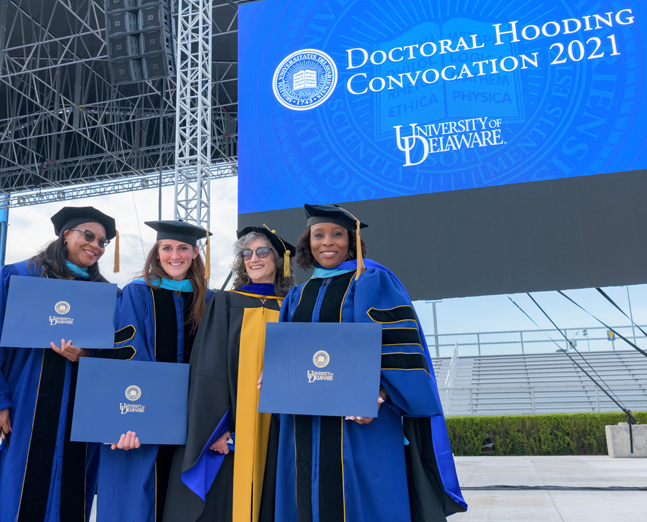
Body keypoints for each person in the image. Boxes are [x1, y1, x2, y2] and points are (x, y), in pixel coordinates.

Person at [272, 204, 467, 522]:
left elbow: (400, 346)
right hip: (306, 420)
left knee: (363, 497)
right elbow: (291, 353)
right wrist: (278, 375)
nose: (328, 242)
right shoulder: (296, 296)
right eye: (318, 235)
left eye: (338, 234)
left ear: (352, 242)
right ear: (308, 243)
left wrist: (380, 394)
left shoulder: (371, 281)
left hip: (362, 417)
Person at [0, 205, 118, 521]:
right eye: (89, 236)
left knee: (70, 495)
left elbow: (113, 356)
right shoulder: (18, 276)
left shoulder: (104, 295)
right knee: (13, 492)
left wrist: (87, 356)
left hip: (76, 415)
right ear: (66, 234)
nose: (96, 246)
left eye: (103, 242)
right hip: (21, 408)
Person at [164, 226, 295, 522]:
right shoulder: (225, 302)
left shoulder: (295, 305)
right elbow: (208, 369)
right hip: (232, 429)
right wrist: (216, 428)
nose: (254, 259)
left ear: (279, 259)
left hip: (281, 426)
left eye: (263, 252)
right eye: (247, 254)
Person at [98, 220, 213, 522]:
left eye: (183, 248)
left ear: (195, 252)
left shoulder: (209, 300)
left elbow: (214, 362)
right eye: (167, 248)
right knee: (140, 500)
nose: (175, 255)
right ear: (157, 252)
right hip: (143, 419)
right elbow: (127, 352)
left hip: (192, 420)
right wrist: (133, 414)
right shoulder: (137, 293)